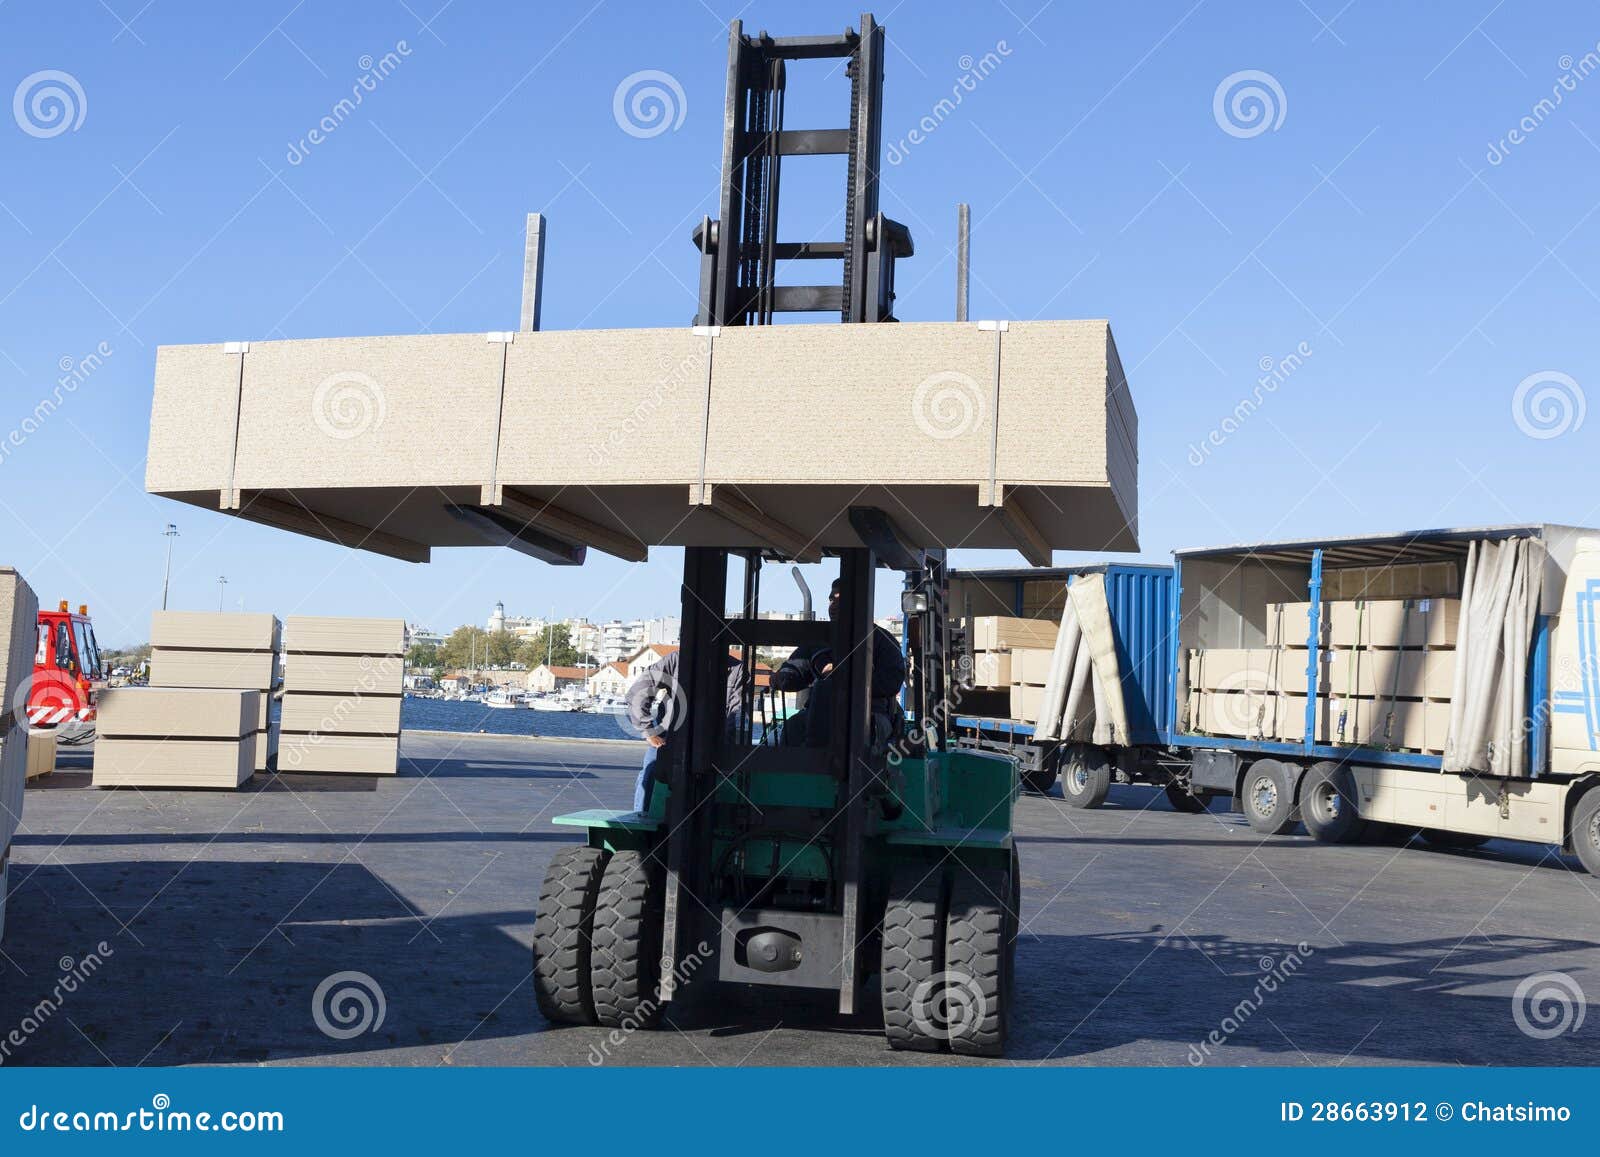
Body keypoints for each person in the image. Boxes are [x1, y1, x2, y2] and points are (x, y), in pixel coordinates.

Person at [772, 579, 906, 748]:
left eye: (839, 600)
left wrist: (845, 679)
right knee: (794, 725)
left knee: (852, 724)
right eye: (831, 600)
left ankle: (828, 764)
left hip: (870, 712)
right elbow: (796, 669)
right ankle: (804, 769)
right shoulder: (819, 639)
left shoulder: (882, 640)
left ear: (858, 603)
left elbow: (892, 681)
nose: (833, 605)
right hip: (819, 712)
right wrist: (783, 677)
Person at [625, 648, 747, 813]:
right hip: (669, 737)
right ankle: (641, 818)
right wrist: (648, 731)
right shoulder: (675, 660)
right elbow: (639, 690)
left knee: (724, 780)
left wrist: (726, 748)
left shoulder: (737, 669)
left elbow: (736, 714)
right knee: (652, 772)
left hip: (714, 741)